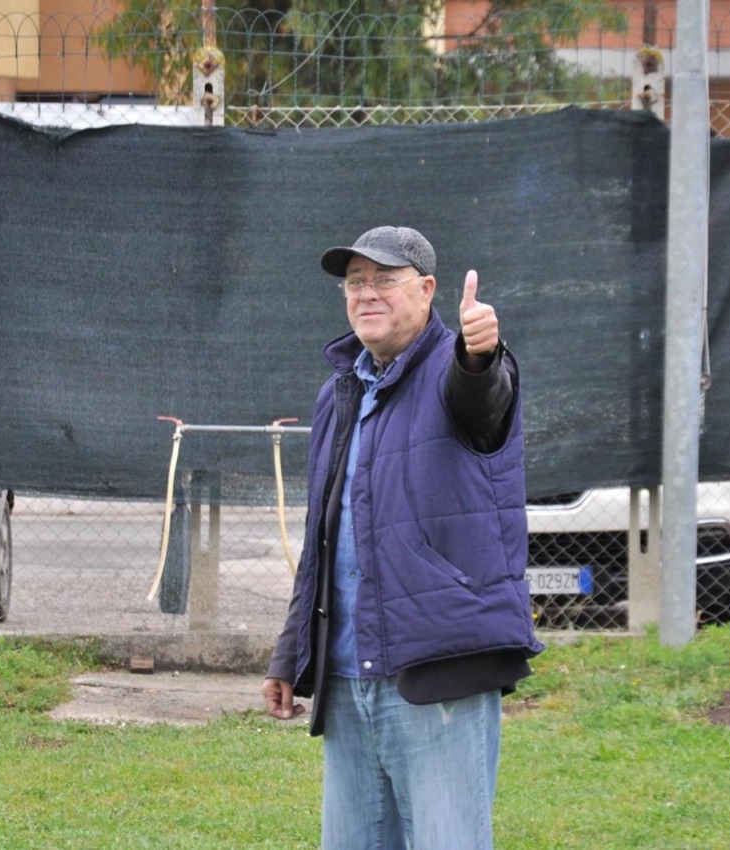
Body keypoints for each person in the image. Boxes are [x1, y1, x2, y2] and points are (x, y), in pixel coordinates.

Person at [262, 225, 544, 849]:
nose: (366, 294)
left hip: (437, 672)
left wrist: (481, 354)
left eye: (384, 280)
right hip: (348, 675)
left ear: (426, 290)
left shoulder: (457, 367)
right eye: (354, 283)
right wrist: (292, 653)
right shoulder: (338, 395)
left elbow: (482, 396)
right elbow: (323, 539)